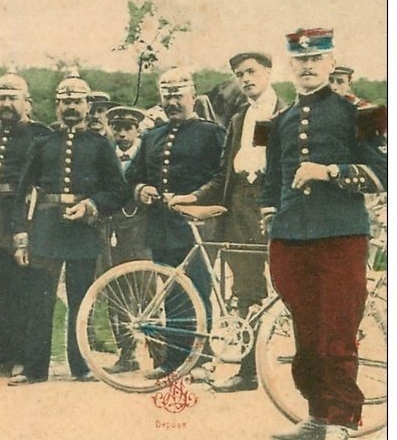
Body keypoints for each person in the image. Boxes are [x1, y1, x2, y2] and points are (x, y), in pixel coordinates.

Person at [260, 29, 386, 440]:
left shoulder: (364, 112)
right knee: (306, 334)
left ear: (332, 63)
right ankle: (316, 416)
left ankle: (342, 421)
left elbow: (382, 175)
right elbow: (271, 178)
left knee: (337, 330)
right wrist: (270, 214)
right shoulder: (276, 120)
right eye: (300, 60)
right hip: (291, 237)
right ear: (290, 65)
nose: (308, 66)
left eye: (317, 59)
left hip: (340, 235)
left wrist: (330, 171)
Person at [171, 51, 283, 392]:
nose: (246, 78)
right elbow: (225, 174)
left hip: (273, 210)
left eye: (251, 71)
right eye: (239, 74)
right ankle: (248, 373)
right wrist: (195, 196)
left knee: (291, 291)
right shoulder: (240, 119)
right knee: (246, 291)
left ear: (268, 72)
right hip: (238, 212)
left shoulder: (286, 114)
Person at [11, 76, 129, 384]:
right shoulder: (43, 143)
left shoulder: (101, 145)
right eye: (65, 102)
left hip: (83, 231)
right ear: (57, 106)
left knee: (81, 299)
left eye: (77, 102)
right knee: (40, 299)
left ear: (88, 106)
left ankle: (81, 366)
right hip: (46, 230)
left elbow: (118, 191)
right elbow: (22, 192)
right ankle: (35, 370)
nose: (71, 108)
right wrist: (21, 236)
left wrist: (91, 205)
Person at [125, 67, 225, 378]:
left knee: (197, 291)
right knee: (170, 293)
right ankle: (173, 362)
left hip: (197, 225)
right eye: (166, 95)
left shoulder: (212, 133)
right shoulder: (153, 136)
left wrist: (193, 198)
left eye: (178, 95)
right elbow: (132, 176)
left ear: (193, 96)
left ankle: (202, 360)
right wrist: (141, 190)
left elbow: (221, 178)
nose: (172, 102)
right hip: (161, 225)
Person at [0, 71, 50, 377]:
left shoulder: (42, 135)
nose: (6, 103)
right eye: (2, 97)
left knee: (27, 291)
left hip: (26, 218)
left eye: (13, 98)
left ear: (27, 103)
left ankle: (25, 355)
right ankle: (4, 353)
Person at [99, 105, 152, 374]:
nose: (121, 134)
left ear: (137, 129)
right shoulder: (105, 153)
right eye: (116, 128)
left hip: (140, 229)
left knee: (147, 291)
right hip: (111, 228)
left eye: (127, 128)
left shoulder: (146, 153)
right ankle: (126, 353)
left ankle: (158, 352)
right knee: (116, 291)